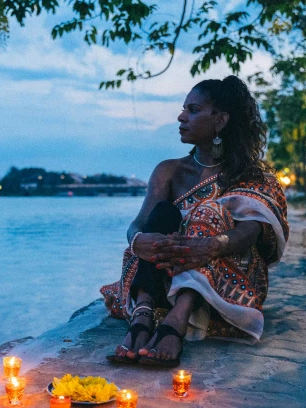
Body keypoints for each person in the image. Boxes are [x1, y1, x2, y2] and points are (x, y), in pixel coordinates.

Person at [101, 76, 289, 367]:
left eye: (193, 110)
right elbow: (137, 224)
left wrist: (212, 245)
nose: (181, 117)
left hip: (225, 280)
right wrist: (141, 240)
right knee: (162, 214)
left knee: (207, 214)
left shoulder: (252, 177)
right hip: (164, 274)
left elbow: (251, 233)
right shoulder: (168, 171)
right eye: (183, 109)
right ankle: (143, 315)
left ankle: (175, 323)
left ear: (221, 120)